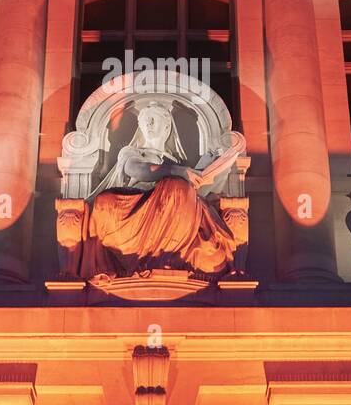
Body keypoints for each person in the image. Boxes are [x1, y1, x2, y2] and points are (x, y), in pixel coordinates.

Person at [79, 100, 241, 279]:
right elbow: (136, 170)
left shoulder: (176, 163)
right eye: (145, 121)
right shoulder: (132, 152)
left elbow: (190, 194)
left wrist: (207, 169)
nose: (148, 124)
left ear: (166, 128)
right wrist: (176, 171)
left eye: (153, 119)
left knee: (181, 189)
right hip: (133, 204)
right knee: (105, 201)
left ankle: (166, 258)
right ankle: (153, 260)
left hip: (170, 208)